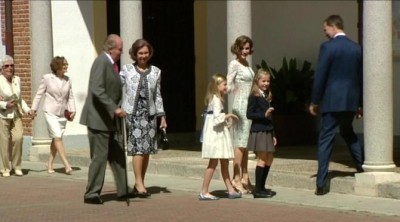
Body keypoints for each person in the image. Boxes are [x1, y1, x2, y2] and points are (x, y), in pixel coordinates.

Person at [309, 15, 364, 196]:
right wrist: (360, 103)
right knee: (349, 133)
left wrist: (314, 100)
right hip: (350, 101)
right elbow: (361, 77)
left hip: (332, 101)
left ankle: (321, 183)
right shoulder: (357, 48)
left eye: (326, 30)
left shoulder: (328, 47)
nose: (325, 34)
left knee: (326, 139)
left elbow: (321, 75)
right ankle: (362, 167)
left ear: (333, 27)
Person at [80, 34, 132, 204]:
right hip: (98, 119)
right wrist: (114, 108)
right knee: (100, 157)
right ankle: (92, 193)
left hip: (109, 121)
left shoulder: (111, 64)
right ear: (111, 49)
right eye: (120, 49)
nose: (122, 52)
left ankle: (123, 190)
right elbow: (97, 88)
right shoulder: (101, 62)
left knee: (117, 156)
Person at [120, 39, 167, 198]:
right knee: (138, 149)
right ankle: (139, 183)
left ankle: (140, 182)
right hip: (133, 114)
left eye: (146, 53)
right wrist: (115, 106)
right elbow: (115, 87)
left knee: (147, 150)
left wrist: (162, 116)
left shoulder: (156, 71)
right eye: (140, 53)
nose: (143, 56)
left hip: (150, 115)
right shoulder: (126, 70)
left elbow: (158, 95)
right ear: (134, 54)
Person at [199, 73, 241, 200]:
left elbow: (215, 119)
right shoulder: (216, 100)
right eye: (224, 84)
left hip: (218, 134)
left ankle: (230, 189)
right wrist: (229, 115)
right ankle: (204, 191)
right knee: (213, 163)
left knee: (224, 162)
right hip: (216, 137)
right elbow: (216, 119)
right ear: (216, 86)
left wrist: (226, 124)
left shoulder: (216, 100)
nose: (226, 87)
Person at [30, 56, 75, 175]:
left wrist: (73, 110)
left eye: (67, 64)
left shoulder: (68, 79)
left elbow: (70, 96)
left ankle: (49, 163)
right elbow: (39, 95)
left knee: (56, 138)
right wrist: (33, 109)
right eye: (64, 64)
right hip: (50, 112)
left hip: (62, 114)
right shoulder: (47, 78)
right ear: (57, 66)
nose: (66, 66)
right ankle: (66, 164)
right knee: (57, 137)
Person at [227, 35, 255, 194]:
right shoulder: (234, 64)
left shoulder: (246, 63)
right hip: (240, 105)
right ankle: (235, 178)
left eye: (247, 48)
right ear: (237, 48)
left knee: (245, 143)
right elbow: (228, 84)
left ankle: (245, 176)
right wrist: (235, 89)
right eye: (243, 48)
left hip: (249, 104)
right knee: (239, 142)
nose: (245, 51)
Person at [246, 69, 277, 198]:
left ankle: (262, 187)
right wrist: (263, 115)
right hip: (259, 130)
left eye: (268, 81)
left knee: (270, 158)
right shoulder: (254, 96)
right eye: (263, 81)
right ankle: (257, 190)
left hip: (268, 130)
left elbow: (270, 117)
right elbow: (249, 114)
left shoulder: (266, 95)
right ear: (257, 81)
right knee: (263, 158)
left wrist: (273, 134)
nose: (266, 83)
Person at [0, 55, 32, 177]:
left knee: (18, 138)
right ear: (2, 68)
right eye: (6, 66)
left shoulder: (17, 79)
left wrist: (28, 110)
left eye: (11, 65)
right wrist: (4, 104)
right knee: (3, 142)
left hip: (16, 114)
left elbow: (20, 99)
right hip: (3, 115)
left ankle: (17, 166)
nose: (9, 68)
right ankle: (5, 168)